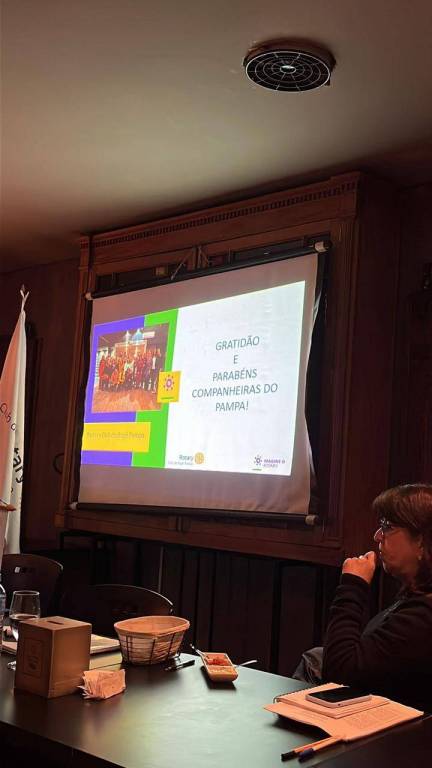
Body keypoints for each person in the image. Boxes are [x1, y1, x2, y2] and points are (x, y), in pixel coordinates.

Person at [294, 484, 432, 711]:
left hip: (397, 727)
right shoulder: (416, 597)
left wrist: (352, 585)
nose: (377, 536)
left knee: (316, 663)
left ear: (421, 541)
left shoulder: (422, 616)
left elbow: (340, 673)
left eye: (387, 526)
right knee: (315, 657)